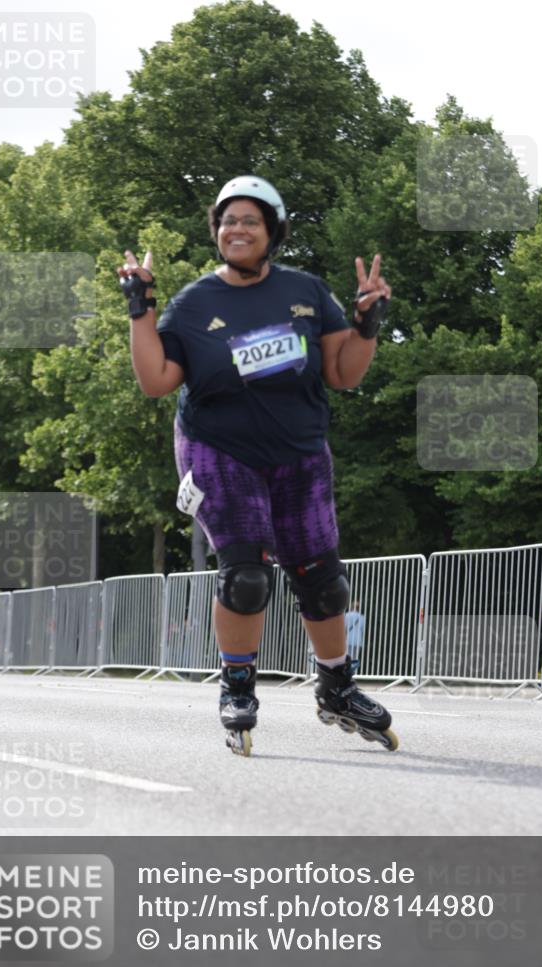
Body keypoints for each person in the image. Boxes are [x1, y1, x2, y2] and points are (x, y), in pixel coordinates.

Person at [117, 175, 398, 755]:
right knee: (246, 577)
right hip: (218, 449)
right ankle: (237, 683)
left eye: (249, 220)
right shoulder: (194, 303)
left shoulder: (305, 292)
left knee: (322, 581)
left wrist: (367, 323)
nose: (235, 229)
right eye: (227, 221)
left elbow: (343, 373)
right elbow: (155, 381)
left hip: (298, 451)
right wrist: (139, 310)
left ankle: (337, 686)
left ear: (272, 231)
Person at [344, 601, 366, 671]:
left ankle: (346, 672)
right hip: (357, 640)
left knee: (347, 656)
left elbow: (344, 627)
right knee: (355, 657)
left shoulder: (347, 615)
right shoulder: (362, 617)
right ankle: (353, 672)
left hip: (348, 639)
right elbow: (362, 629)